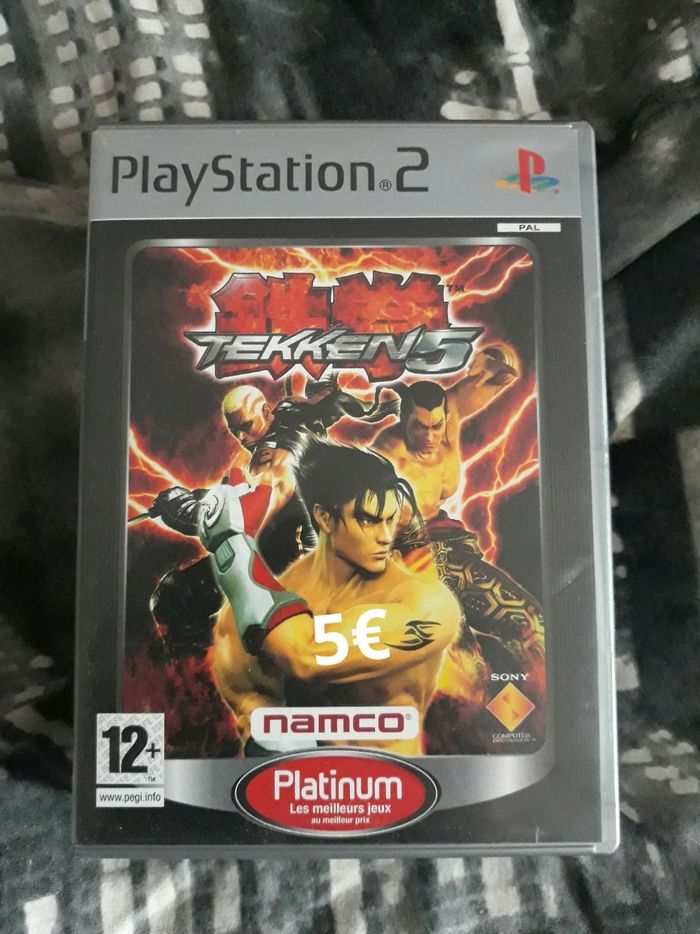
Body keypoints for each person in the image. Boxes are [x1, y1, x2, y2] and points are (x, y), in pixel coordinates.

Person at [201, 441, 461, 756]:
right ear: (324, 518)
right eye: (368, 520)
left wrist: (231, 545)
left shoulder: (425, 604)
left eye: (389, 520)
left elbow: (306, 656)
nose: (385, 537)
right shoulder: (246, 612)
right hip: (303, 783)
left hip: (392, 780)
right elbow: (251, 705)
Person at [372, 346, 546, 751]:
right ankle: (471, 745)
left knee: (531, 625)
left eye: (436, 426)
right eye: (420, 427)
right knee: (464, 676)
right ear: (404, 422)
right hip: (410, 563)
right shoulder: (385, 458)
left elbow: (500, 377)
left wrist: (495, 362)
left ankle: (525, 728)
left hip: (453, 550)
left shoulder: (446, 415)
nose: (431, 436)